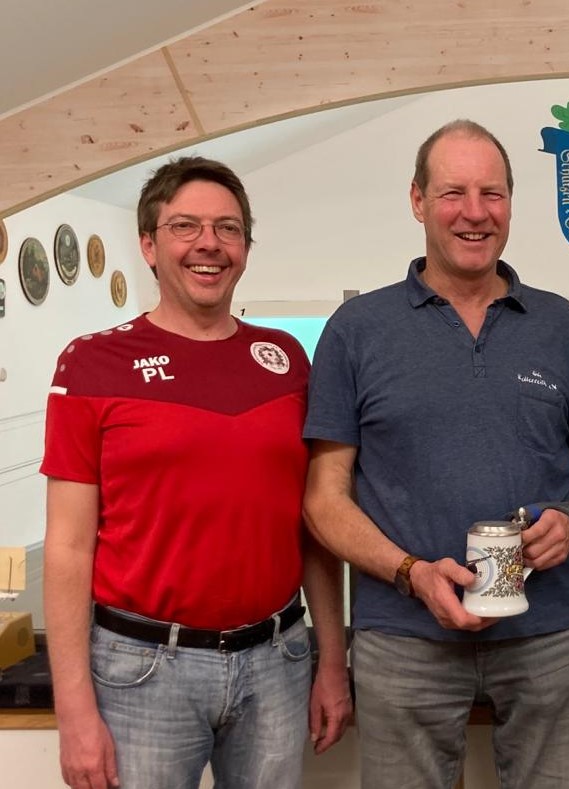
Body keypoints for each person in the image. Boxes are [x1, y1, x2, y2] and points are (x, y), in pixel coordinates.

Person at [302, 119, 569, 789]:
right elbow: (323, 499)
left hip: (551, 634)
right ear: (418, 201)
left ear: (510, 202)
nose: (475, 212)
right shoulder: (356, 331)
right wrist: (410, 572)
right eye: (453, 193)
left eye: (491, 193)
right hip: (403, 638)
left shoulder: (559, 324)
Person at [41, 156, 352, 789]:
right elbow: (68, 548)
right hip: (141, 672)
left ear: (245, 249)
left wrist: (331, 660)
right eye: (185, 226)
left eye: (228, 228)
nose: (209, 243)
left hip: (278, 661)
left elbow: (315, 526)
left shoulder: (287, 359)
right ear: (148, 246)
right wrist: (73, 710)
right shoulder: (91, 365)